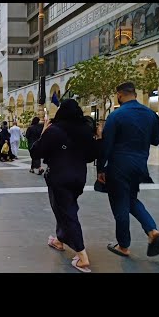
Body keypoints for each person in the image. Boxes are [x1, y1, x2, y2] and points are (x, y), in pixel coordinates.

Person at [30, 99, 98, 273]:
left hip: (60, 177)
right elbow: (91, 156)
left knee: (67, 212)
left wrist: (44, 133)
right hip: (79, 177)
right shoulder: (85, 130)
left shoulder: (54, 130)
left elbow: (36, 152)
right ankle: (60, 240)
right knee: (65, 208)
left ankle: (82, 256)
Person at [98, 82, 159, 258]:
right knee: (131, 199)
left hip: (118, 165)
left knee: (120, 204)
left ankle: (124, 246)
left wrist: (100, 168)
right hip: (140, 164)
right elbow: (156, 140)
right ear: (134, 93)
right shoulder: (151, 114)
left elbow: (107, 144)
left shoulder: (117, 115)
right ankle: (152, 231)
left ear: (119, 95)